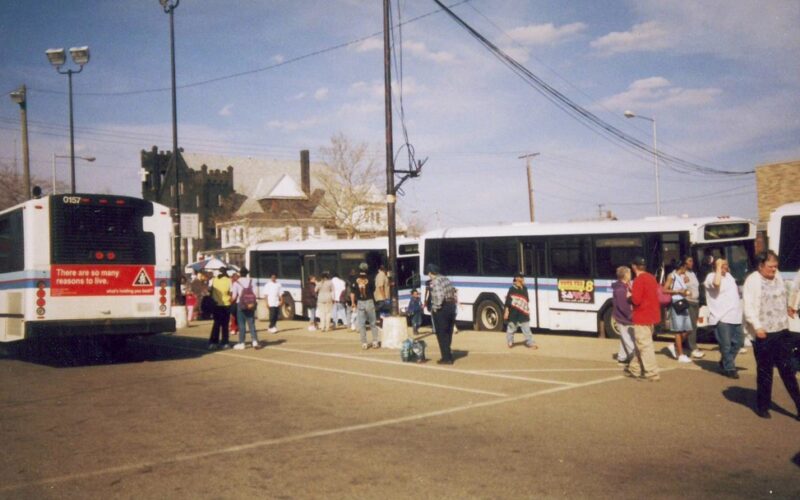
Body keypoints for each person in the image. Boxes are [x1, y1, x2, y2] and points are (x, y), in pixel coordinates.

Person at [743, 251, 800, 420]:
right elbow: (749, 307)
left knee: (788, 371)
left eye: (776, 266)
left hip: (781, 330)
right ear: (760, 266)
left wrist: (790, 306)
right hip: (763, 334)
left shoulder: (778, 276)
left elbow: (787, 292)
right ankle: (763, 406)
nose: (774, 270)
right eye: (770, 267)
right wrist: (757, 326)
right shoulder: (752, 281)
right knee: (765, 372)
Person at [704, 258, 743, 378]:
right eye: (722, 264)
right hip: (721, 317)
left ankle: (725, 361)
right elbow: (716, 284)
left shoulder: (730, 277)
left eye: (726, 264)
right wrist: (718, 267)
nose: (725, 266)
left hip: (735, 316)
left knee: (738, 343)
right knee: (725, 344)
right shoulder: (711, 277)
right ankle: (729, 368)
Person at [625, 256, 661, 381]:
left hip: (641, 316)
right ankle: (634, 369)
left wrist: (629, 297)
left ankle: (651, 373)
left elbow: (636, 300)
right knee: (640, 343)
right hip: (652, 315)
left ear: (634, 267)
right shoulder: (651, 278)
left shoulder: (639, 280)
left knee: (644, 345)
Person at [427, 264, 458, 365]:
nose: (428, 275)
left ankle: (446, 357)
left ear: (431, 272)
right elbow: (453, 291)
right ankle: (448, 353)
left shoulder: (435, 281)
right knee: (448, 332)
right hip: (451, 306)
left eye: (429, 273)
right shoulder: (446, 279)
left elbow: (439, 297)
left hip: (442, 308)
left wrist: (435, 308)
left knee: (441, 333)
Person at [663, 257, 692, 363]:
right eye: (685, 267)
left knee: (688, 329)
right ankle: (680, 355)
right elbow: (664, 289)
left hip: (683, 303)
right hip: (676, 303)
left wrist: (685, 291)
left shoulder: (681, 276)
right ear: (682, 266)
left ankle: (674, 346)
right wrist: (678, 291)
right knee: (678, 330)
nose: (686, 269)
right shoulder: (672, 276)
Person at [503, 273, 537, 349]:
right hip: (513, 313)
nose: (521, 279)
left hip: (523, 313)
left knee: (527, 329)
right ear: (516, 279)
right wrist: (506, 311)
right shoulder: (512, 289)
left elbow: (527, 300)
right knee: (511, 329)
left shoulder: (525, 288)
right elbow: (507, 302)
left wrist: (527, 309)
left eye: (522, 278)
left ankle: (530, 343)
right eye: (519, 278)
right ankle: (510, 341)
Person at [231, 267, 261, 350]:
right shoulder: (252, 281)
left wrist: (230, 302)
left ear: (240, 273)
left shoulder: (236, 282)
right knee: (251, 323)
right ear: (247, 273)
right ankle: (254, 341)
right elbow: (255, 293)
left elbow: (234, 296)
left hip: (240, 305)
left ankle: (242, 342)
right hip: (251, 305)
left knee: (241, 324)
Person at [351, 263, 380, 350]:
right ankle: (375, 342)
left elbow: (352, 292)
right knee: (373, 323)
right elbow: (374, 289)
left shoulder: (354, 278)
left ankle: (364, 343)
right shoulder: (370, 278)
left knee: (362, 324)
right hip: (369, 301)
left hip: (360, 302)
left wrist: (353, 302)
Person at [611, 266, 635, 365]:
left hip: (622, 317)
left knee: (624, 337)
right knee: (629, 339)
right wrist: (631, 316)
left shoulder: (625, 286)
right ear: (625, 275)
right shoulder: (621, 289)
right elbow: (623, 306)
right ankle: (635, 359)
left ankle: (622, 357)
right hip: (624, 317)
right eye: (629, 273)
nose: (631, 275)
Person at [683, 256, 705, 359]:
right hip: (689, 302)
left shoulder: (692, 273)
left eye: (692, 261)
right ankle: (692, 348)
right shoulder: (683, 274)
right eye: (689, 261)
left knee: (693, 325)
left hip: (696, 302)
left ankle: (687, 346)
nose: (692, 263)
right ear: (685, 263)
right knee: (691, 326)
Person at [208, 267, 232, 350]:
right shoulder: (229, 280)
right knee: (225, 325)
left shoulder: (214, 280)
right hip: (226, 304)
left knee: (216, 324)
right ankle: (225, 343)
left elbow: (210, 290)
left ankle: (213, 343)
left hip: (216, 305)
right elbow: (231, 292)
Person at [229, 271, 240, 338]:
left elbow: (233, 295)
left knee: (233, 316)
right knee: (237, 316)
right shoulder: (239, 284)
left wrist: (230, 301)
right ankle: (236, 328)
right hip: (239, 302)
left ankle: (233, 328)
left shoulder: (234, 284)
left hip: (234, 302)